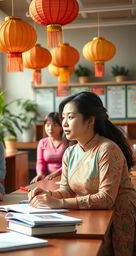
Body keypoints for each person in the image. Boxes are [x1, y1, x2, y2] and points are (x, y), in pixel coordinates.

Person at [28, 92, 136, 255]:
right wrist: (47, 194)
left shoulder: (107, 149)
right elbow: (68, 190)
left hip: (117, 217)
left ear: (90, 120)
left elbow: (106, 199)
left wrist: (58, 203)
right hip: (92, 215)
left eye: (70, 117)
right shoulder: (70, 152)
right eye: (62, 117)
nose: (63, 123)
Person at [30, 112, 69, 183]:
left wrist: (56, 173)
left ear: (61, 126)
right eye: (47, 125)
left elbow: (69, 164)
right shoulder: (42, 142)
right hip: (47, 179)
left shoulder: (68, 142)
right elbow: (40, 162)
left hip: (65, 178)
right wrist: (40, 174)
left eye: (55, 125)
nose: (50, 128)